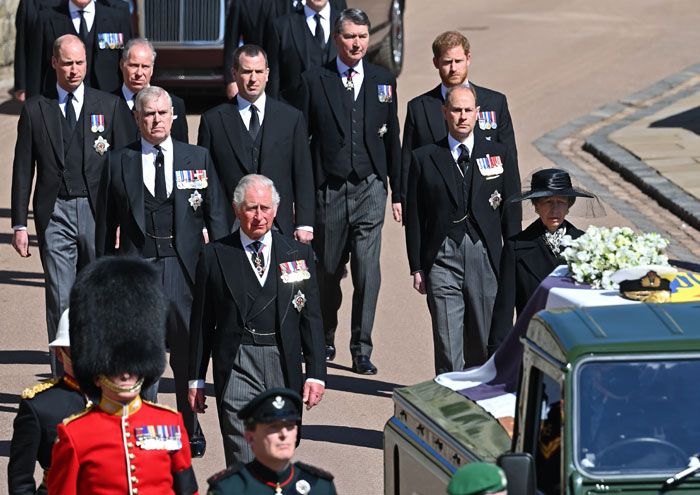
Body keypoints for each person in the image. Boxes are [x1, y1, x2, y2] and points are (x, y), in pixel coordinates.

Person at [95, 85, 230, 457]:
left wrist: (223, 271)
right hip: (139, 272)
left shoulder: (197, 158)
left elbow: (216, 216)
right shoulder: (118, 161)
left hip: (184, 269)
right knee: (144, 354)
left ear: (174, 116)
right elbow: (105, 226)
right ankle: (147, 425)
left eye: (162, 113)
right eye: (148, 114)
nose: (156, 120)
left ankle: (189, 425)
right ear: (136, 119)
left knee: (188, 352)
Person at [11, 34, 130, 376]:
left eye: (80, 63)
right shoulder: (36, 108)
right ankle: (65, 380)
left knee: (98, 296)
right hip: (55, 212)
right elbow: (23, 168)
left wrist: (124, 221)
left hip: (99, 213)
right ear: (54, 63)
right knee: (60, 298)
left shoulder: (108, 106)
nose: (74, 70)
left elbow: (124, 167)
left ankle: (100, 373)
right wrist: (19, 223)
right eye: (67, 63)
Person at [189, 174, 326, 465]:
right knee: (242, 452)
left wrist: (315, 373)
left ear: (276, 210)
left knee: (276, 453)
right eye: (252, 208)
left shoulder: (297, 253)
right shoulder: (215, 255)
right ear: (237, 210)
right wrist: (196, 378)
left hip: (281, 361)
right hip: (238, 360)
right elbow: (202, 323)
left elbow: (311, 318)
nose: (259, 216)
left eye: (265, 208)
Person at [299, 8, 402, 374]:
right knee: (327, 271)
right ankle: (326, 334)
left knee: (367, 270)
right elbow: (302, 142)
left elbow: (394, 139)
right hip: (330, 190)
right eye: (349, 37)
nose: (357, 43)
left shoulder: (383, 79)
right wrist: (304, 196)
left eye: (362, 36)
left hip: (371, 187)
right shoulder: (315, 80)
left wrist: (398, 190)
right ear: (336, 39)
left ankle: (361, 347)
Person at [47, 257, 198, 495]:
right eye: (116, 366)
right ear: (96, 373)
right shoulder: (75, 434)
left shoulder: (170, 424)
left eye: (134, 363)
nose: (126, 373)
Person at [404, 85, 521, 374]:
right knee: (447, 341)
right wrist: (417, 266)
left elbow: (511, 211)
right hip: (442, 257)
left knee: (485, 340)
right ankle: (448, 405)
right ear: (445, 112)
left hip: (484, 255)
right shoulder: (425, 157)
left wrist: (511, 262)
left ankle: (482, 400)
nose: (462, 117)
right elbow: (416, 216)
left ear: (478, 114)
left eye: (468, 110)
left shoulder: (499, 154)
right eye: (456, 110)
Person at [198, 44, 315, 240]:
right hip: (229, 226)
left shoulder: (291, 119)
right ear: (234, 73)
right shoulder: (213, 120)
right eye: (247, 72)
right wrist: (203, 224)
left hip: (279, 224)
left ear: (267, 74)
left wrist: (304, 223)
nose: (253, 79)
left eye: (259, 71)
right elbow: (203, 177)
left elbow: (303, 174)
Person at [401, 31, 517, 207]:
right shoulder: (419, 108)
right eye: (447, 62)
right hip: (437, 208)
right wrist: (404, 202)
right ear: (436, 63)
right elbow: (408, 163)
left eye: (458, 61)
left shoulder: (494, 102)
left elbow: (509, 159)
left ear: (468, 58)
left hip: (486, 205)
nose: (453, 68)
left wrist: (512, 206)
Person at [488, 169, 593, 353]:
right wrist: (497, 356)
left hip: (577, 341)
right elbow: (504, 310)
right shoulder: (516, 247)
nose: (555, 209)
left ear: (569, 206)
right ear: (536, 206)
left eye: (561, 202)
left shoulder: (585, 243)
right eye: (547, 202)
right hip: (534, 343)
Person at [8, 308, 89, 495]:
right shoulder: (40, 406)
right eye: (75, 350)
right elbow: (20, 481)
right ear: (59, 354)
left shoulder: (123, 399)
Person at [207, 388, 337, 494]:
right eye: (273, 427)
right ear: (250, 437)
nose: (283, 434)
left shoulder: (319, 487)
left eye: (290, 426)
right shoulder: (228, 489)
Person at [28, 0, 132, 97]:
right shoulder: (46, 19)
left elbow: (128, 63)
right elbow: (36, 69)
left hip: (106, 100)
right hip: (60, 102)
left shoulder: (117, 19)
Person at [266, 0, 342, 107]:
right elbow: (273, 80)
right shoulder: (282, 27)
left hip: (339, 111)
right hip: (295, 112)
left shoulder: (348, 23)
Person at [116, 37, 189, 143]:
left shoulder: (175, 104)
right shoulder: (107, 104)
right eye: (134, 65)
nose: (139, 73)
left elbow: (182, 150)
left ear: (152, 69)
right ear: (122, 65)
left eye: (145, 67)